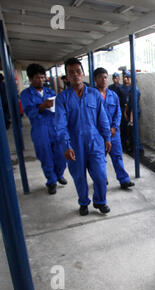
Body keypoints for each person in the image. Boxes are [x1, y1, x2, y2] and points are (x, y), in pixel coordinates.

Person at [55, 58, 112, 216]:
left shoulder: (94, 94)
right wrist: (66, 145)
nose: (75, 75)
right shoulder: (62, 99)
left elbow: (103, 118)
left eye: (78, 71)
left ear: (83, 73)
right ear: (67, 76)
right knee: (79, 177)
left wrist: (107, 137)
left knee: (101, 175)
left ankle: (100, 201)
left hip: (95, 142)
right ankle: (83, 202)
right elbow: (60, 124)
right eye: (71, 72)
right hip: (75, 144)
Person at [20, 64, 67, 195]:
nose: (40, 80)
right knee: (46, 156)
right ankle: (51, 181)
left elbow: (58, 109)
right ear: (30, 79)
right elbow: (29, 112)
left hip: (54, 127)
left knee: (61, 155)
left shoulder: (50, 92)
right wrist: (42, 106)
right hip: (40, 130)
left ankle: (59, 174)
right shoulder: (25, 94)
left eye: (42, 77)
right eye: (37, 78)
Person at [94, 67, 135, 190]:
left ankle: (124, 180)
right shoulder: (91, 95)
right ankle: (102, 178)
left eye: (105, 77)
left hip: (113, 133)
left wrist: (114, 127)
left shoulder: (113, 95)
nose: (103, 80)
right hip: (99, 133)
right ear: (95, 79)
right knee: (100, 158)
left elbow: (118, 113)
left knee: (117, 156)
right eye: (100, 77)